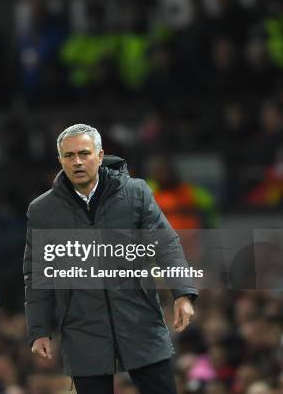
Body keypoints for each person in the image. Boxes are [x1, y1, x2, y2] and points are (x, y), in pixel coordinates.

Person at [23, 124, 197, 394]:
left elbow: (166, 244)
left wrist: (183, 294)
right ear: (60, 161)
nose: (77, 161)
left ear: (100, 155)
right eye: (69, 156)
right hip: (82, 327)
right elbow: (36, 275)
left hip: (139, 319)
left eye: (84, 153)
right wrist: (39, 330)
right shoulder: (42, 211)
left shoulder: (136, 194)